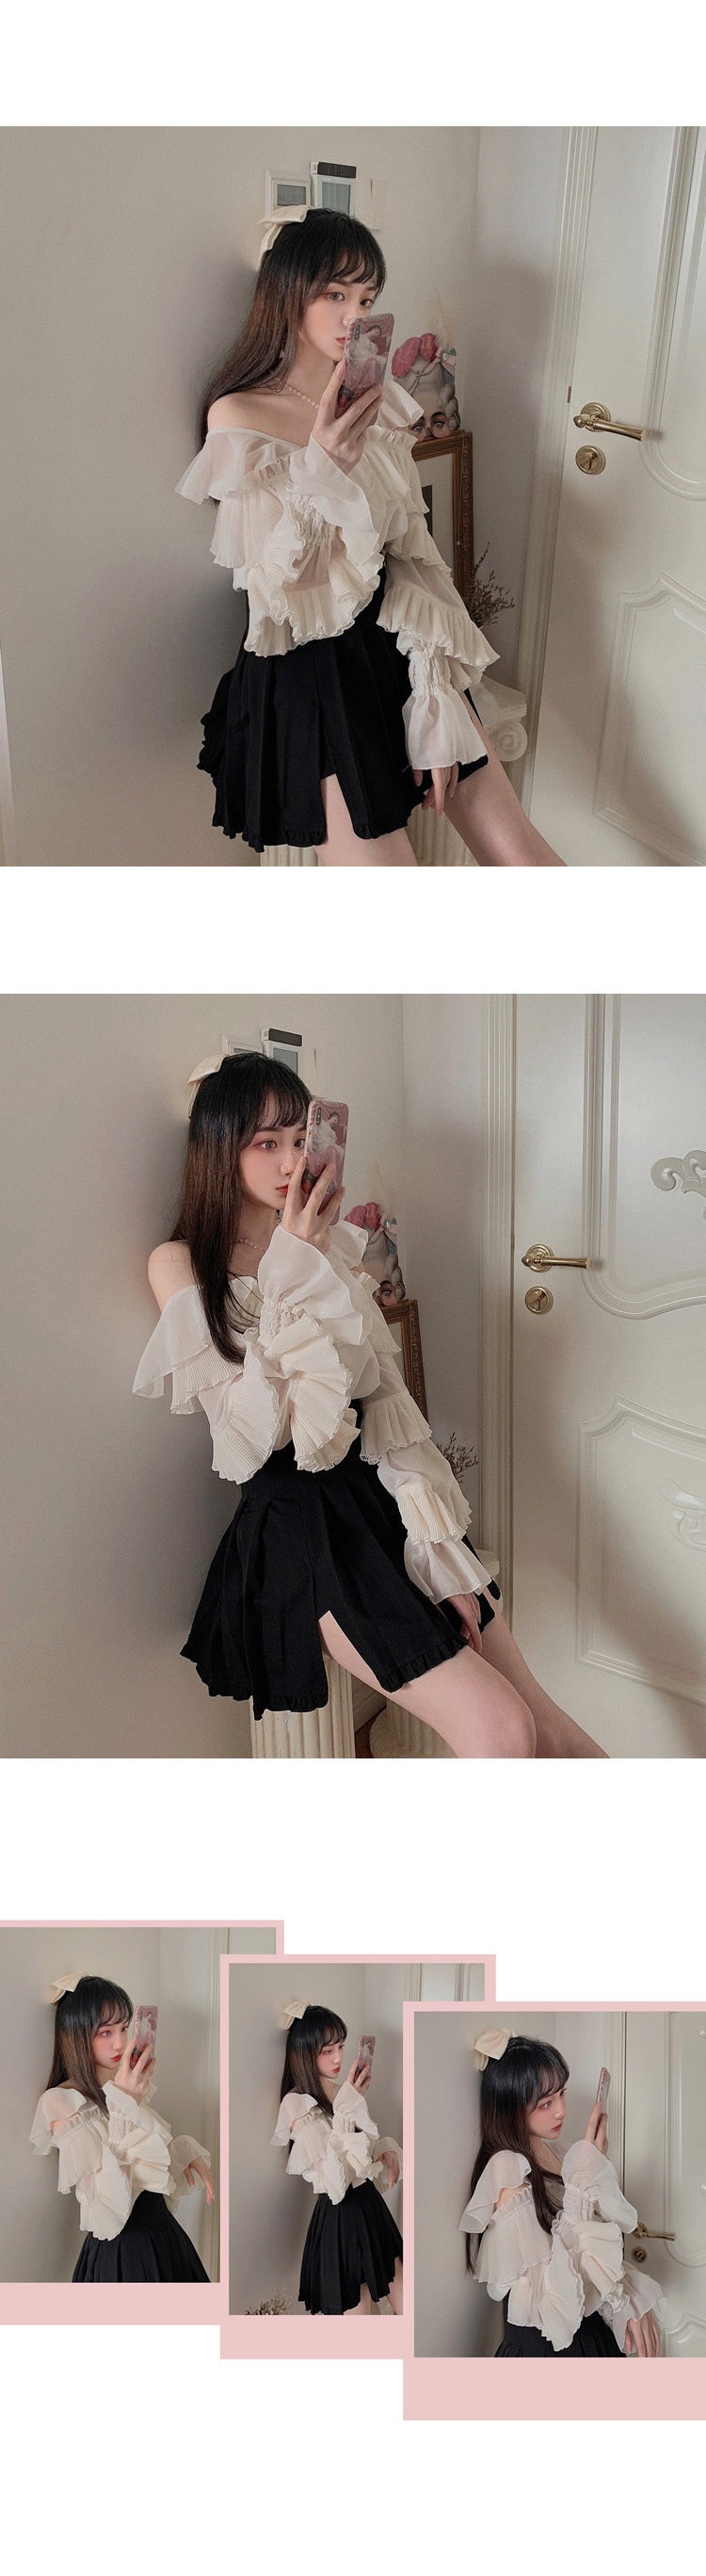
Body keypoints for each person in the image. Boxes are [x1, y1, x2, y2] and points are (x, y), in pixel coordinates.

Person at [134, 1052, 604, 1758]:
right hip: (299, 1523)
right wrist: (295, 1258)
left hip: (380, 1497)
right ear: (220, 1147)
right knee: (503, 1730)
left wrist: (437, 1552)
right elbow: (250, 1435)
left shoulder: (332, 1249)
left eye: (301, 1138)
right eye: (267, 1142)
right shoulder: (180, 1261)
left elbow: (385, 1399)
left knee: (545, 1722)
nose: (291, 1160)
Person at [179, 207, 563, 868]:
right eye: (335, 294)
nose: (353, 316)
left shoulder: (376, 402)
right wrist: (322, 465)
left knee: (521, 855)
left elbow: (412, 553)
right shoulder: (239, 415)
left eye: (366, 298)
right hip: (309, 666)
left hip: (399, 639)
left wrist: (436, 691)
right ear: (288, 292)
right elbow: (277, 591)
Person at [459, 2030, 664, 2356]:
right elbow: (553, 2290)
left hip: (589, 2335)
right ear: (512, 2107)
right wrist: (585, 2173)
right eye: (546, 2103)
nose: (561, 2111)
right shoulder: (506, 2168)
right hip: (547, 2346)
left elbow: (592, 2250)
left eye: (561, 2094)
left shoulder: (562, 2152)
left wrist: (627, 2299)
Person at [30, 1974, 214, 2281]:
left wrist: (181, 2152)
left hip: (163, 2238)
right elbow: (108, 2208)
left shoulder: (119, 2086)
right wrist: (124, 2103)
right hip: (123, 2250)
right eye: (105, 2032)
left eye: (125, 2028)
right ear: (77, 2035)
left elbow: (144, 2174)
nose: (120, 2043)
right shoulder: (61, 2103)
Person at [271, 2001, 403, 2315]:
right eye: (327, 2051)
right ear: (305, 2053)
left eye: (341, 2047)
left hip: (371, 2208)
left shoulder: (340, 2090)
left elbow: (360, 2153)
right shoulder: (295, 2104)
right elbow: (335, 2185)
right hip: (341, 2217)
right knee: (360, 2323)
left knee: (408, 2309)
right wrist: (346, 2108)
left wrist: (384, 2147)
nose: (338, 2058)